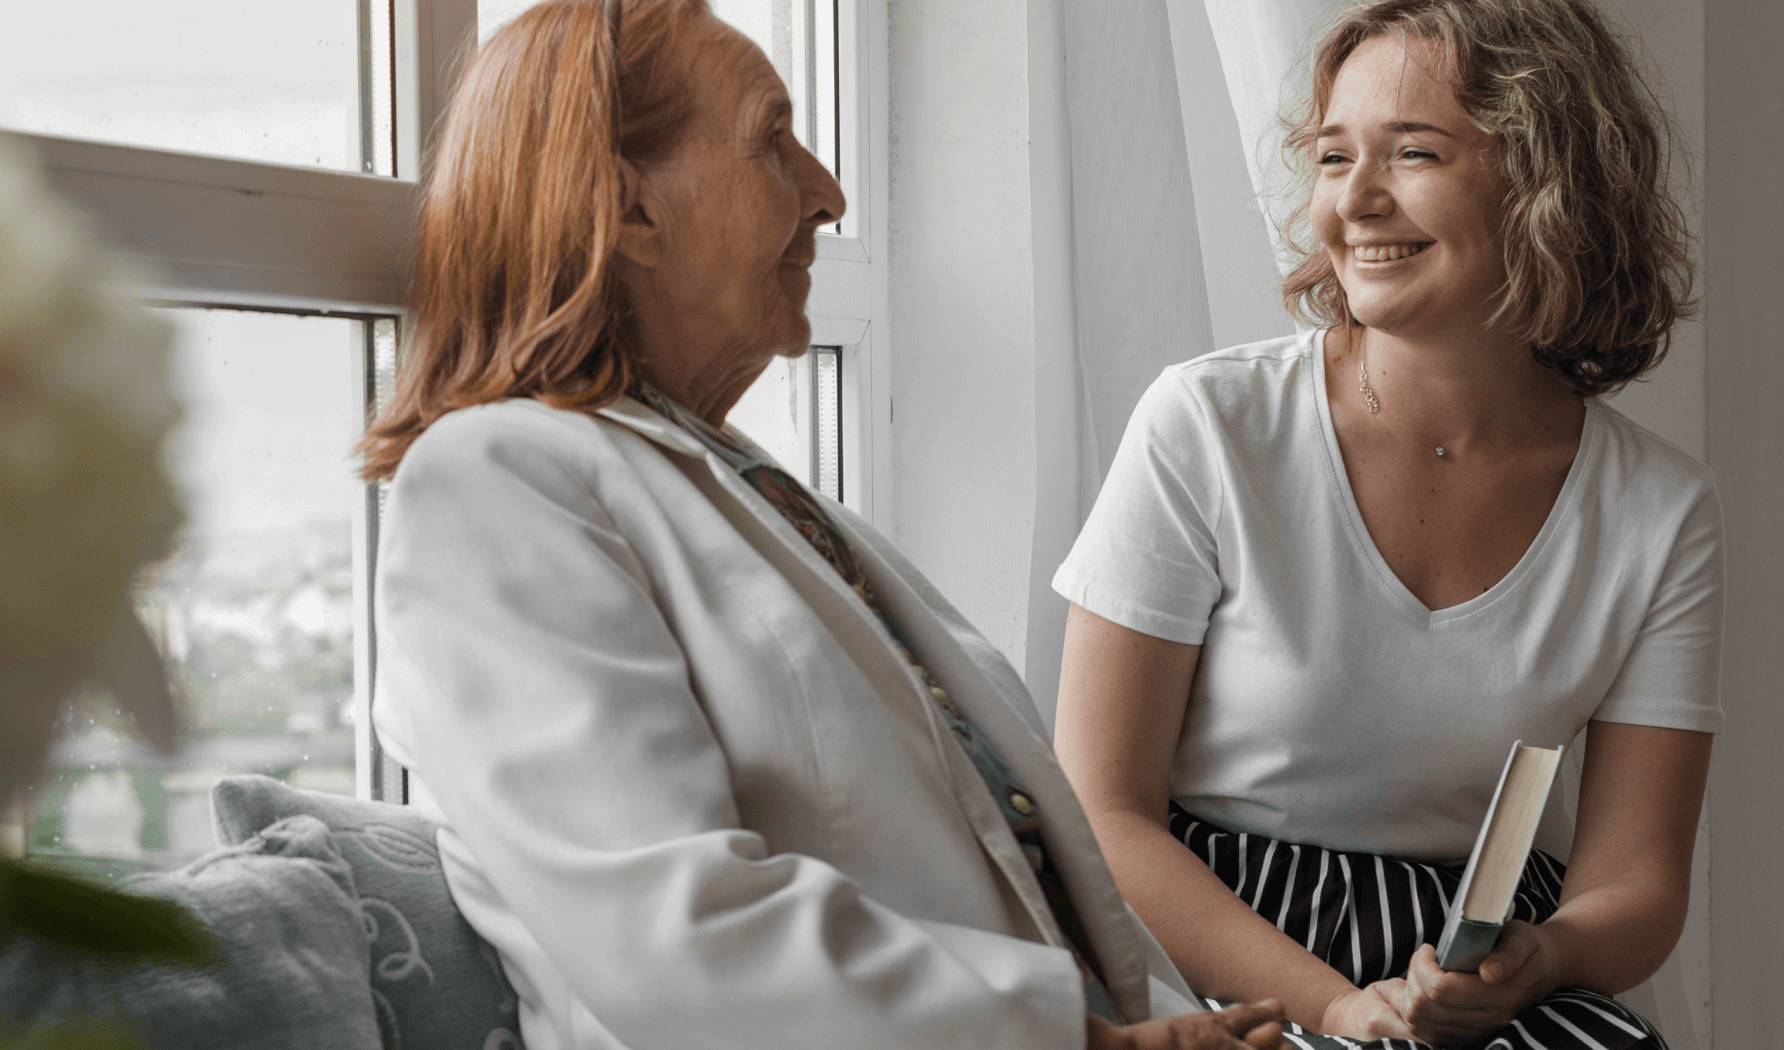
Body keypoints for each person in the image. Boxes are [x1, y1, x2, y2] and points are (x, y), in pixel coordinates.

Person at [361, 1, 1284, 1047]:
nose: (829, 193)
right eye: (771, 140)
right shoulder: (492, 484)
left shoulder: (755, 496)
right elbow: (673, 939)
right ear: (628, 211)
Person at [1050, 2, 1712, 1048]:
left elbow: (1635, 883)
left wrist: (1539, 956)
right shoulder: (1208, 425)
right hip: (1208, 945)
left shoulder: (1658, 510)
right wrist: (1339, 1009)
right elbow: (1100, 815)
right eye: (1330, 157)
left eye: (1413, 153)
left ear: (1549, 183)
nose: (1353, 201)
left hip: (1473, 965)